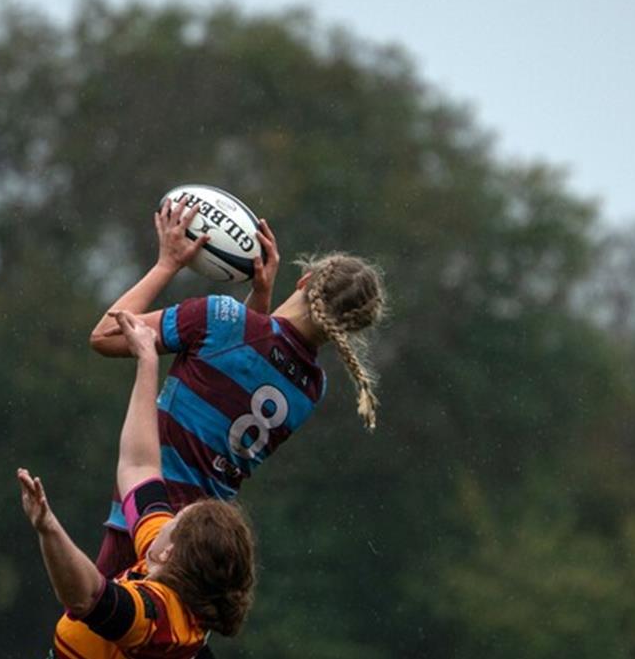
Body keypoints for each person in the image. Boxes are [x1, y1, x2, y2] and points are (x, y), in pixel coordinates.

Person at [88, 199, 386, 577]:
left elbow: (106, 336)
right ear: (347, 330)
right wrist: (261, 298)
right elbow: (254, 360)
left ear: (305, 280)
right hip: (203, 548)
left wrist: (168, 263)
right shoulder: (312, 389)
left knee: (89, 613)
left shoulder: (221, 319)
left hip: (146, 520)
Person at [19, 311, 255, 659]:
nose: (167, 516)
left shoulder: (158, 620)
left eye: (174, 520)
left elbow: (86, 598)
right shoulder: (171, 563)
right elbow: (139, 466)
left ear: (169, 552)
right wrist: (147, 361)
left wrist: (48, 528)